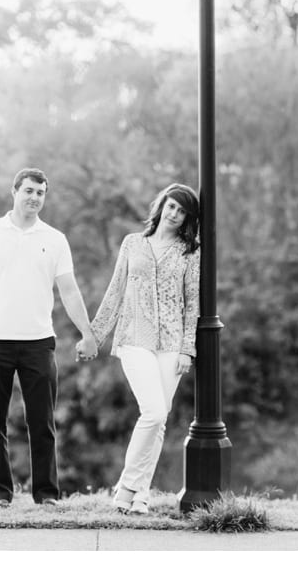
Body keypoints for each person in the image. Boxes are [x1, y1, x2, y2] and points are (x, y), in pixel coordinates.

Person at [0, 167, 98, 506]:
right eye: (29, 191)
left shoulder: (54, 240)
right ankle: (0, 494)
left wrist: (88, 332)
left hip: (38, 342)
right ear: (14, 192)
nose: (34, 198)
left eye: (40, 193)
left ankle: (47, 494)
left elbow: (69, 290)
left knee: (42, 422)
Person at [90, 183, 201, 515]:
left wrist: (187, 349)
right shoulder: (132, 244)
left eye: (182, 212)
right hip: (134, 337)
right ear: (161, 206)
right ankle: (126, 488)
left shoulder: (190, 252)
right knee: (153, 411)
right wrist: (94, 337)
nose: (175, 214)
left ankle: (139, 496)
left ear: (187, 219)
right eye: (171, 207)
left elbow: (192, 302)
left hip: (171, 341)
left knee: (159, 419)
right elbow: (115, 291)